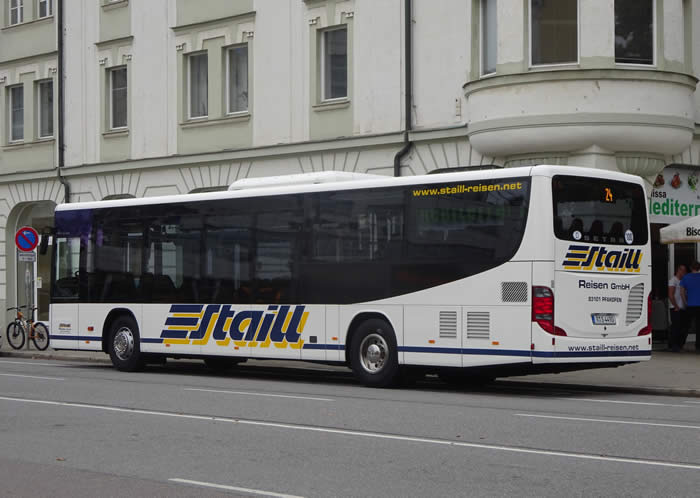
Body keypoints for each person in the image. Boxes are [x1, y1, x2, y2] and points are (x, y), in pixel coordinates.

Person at [680, 262, 700, 353]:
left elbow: (682, 292)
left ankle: (680, 344)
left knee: (686, 325)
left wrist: (685, 302)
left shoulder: (685, 277)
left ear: (691, 268)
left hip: (690, 305)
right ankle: (698, 346)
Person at [668, 264, 688, 352]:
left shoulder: (683, 281)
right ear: (678, 270)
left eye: (685, 271)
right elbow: (671, 295)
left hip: (682, 307)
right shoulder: (673, 280)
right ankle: (673, 345)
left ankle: (680, 345)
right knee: (676, 327)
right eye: (683, 271)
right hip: (675, 308)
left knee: (683, 327)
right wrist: (676, 306)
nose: (684, 273)